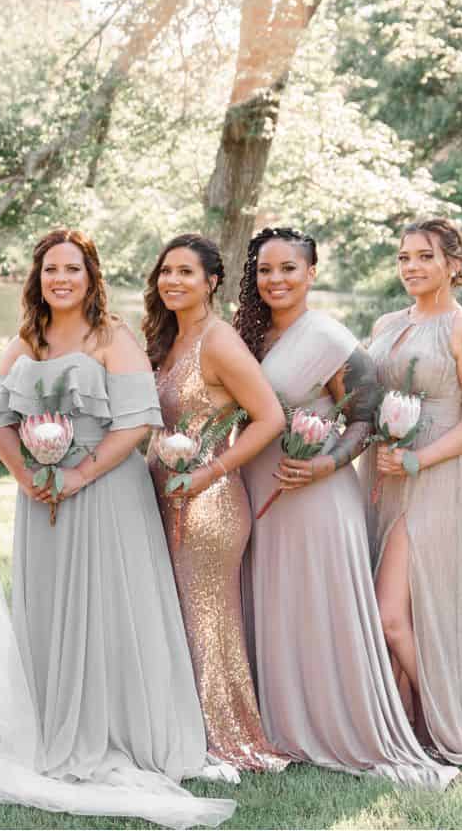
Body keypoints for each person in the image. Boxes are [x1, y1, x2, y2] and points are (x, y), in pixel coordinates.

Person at [0, 228, 234, 827]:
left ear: (91, 276)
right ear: (36, 280)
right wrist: (25, 476)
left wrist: (78, 475)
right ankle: (54, 723)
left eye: (72, 268)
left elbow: (137, 422)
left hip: (106, 489)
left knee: (109, 605)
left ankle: (118, 727)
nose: (60, 279)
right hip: (42, 498)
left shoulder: (113, 336)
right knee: (50, 606)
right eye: (49, 270)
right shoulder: (25, 341)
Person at [232, 227, 457, 788]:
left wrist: (324, 464)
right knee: (275, 604)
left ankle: (341, 723)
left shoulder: (329, 338)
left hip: (315, 495)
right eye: (265, 269)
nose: (275, 279)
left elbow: (365, 415)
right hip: (258, 490)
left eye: (289, 268)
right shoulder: (245, 336)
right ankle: (277, 721)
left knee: (318, 609)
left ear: (312, 273)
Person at [144, 233, 289, 773]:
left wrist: (207, 472)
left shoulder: (219, 340)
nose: (173, 281)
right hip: (162, 493)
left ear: (211, 282)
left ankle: (223, 739)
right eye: (166, 271)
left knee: (206, 619)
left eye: (186, 272)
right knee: (176, 617)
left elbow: (270, 417)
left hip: (209, 504)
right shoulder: (169, 340)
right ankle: (183, 730)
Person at [363, 218, 462, 767]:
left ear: (452, 264)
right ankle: (406, 723)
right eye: (403, 258)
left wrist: (418, 458)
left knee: (389, 616)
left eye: (424, 256)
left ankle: (446, 722)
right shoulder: (385, 323)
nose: (412, 267)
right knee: (398, 613)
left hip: (431, 480)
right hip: (380, 476)